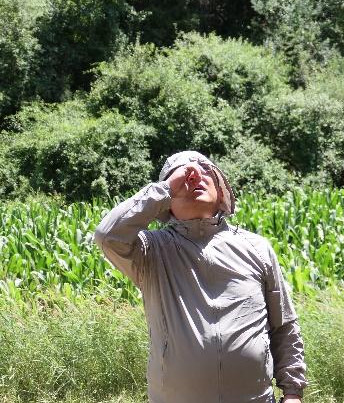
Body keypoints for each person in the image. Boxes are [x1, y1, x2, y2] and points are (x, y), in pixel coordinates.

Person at [94, 151, 306, 403]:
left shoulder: (256, 248)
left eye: (205, 170)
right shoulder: (151, 251)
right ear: (167, 201)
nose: (194, 177)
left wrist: (292, 392)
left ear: (221, 191)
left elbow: (284, 325)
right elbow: (107, 236)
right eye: (181, 176)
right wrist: (166, 187)